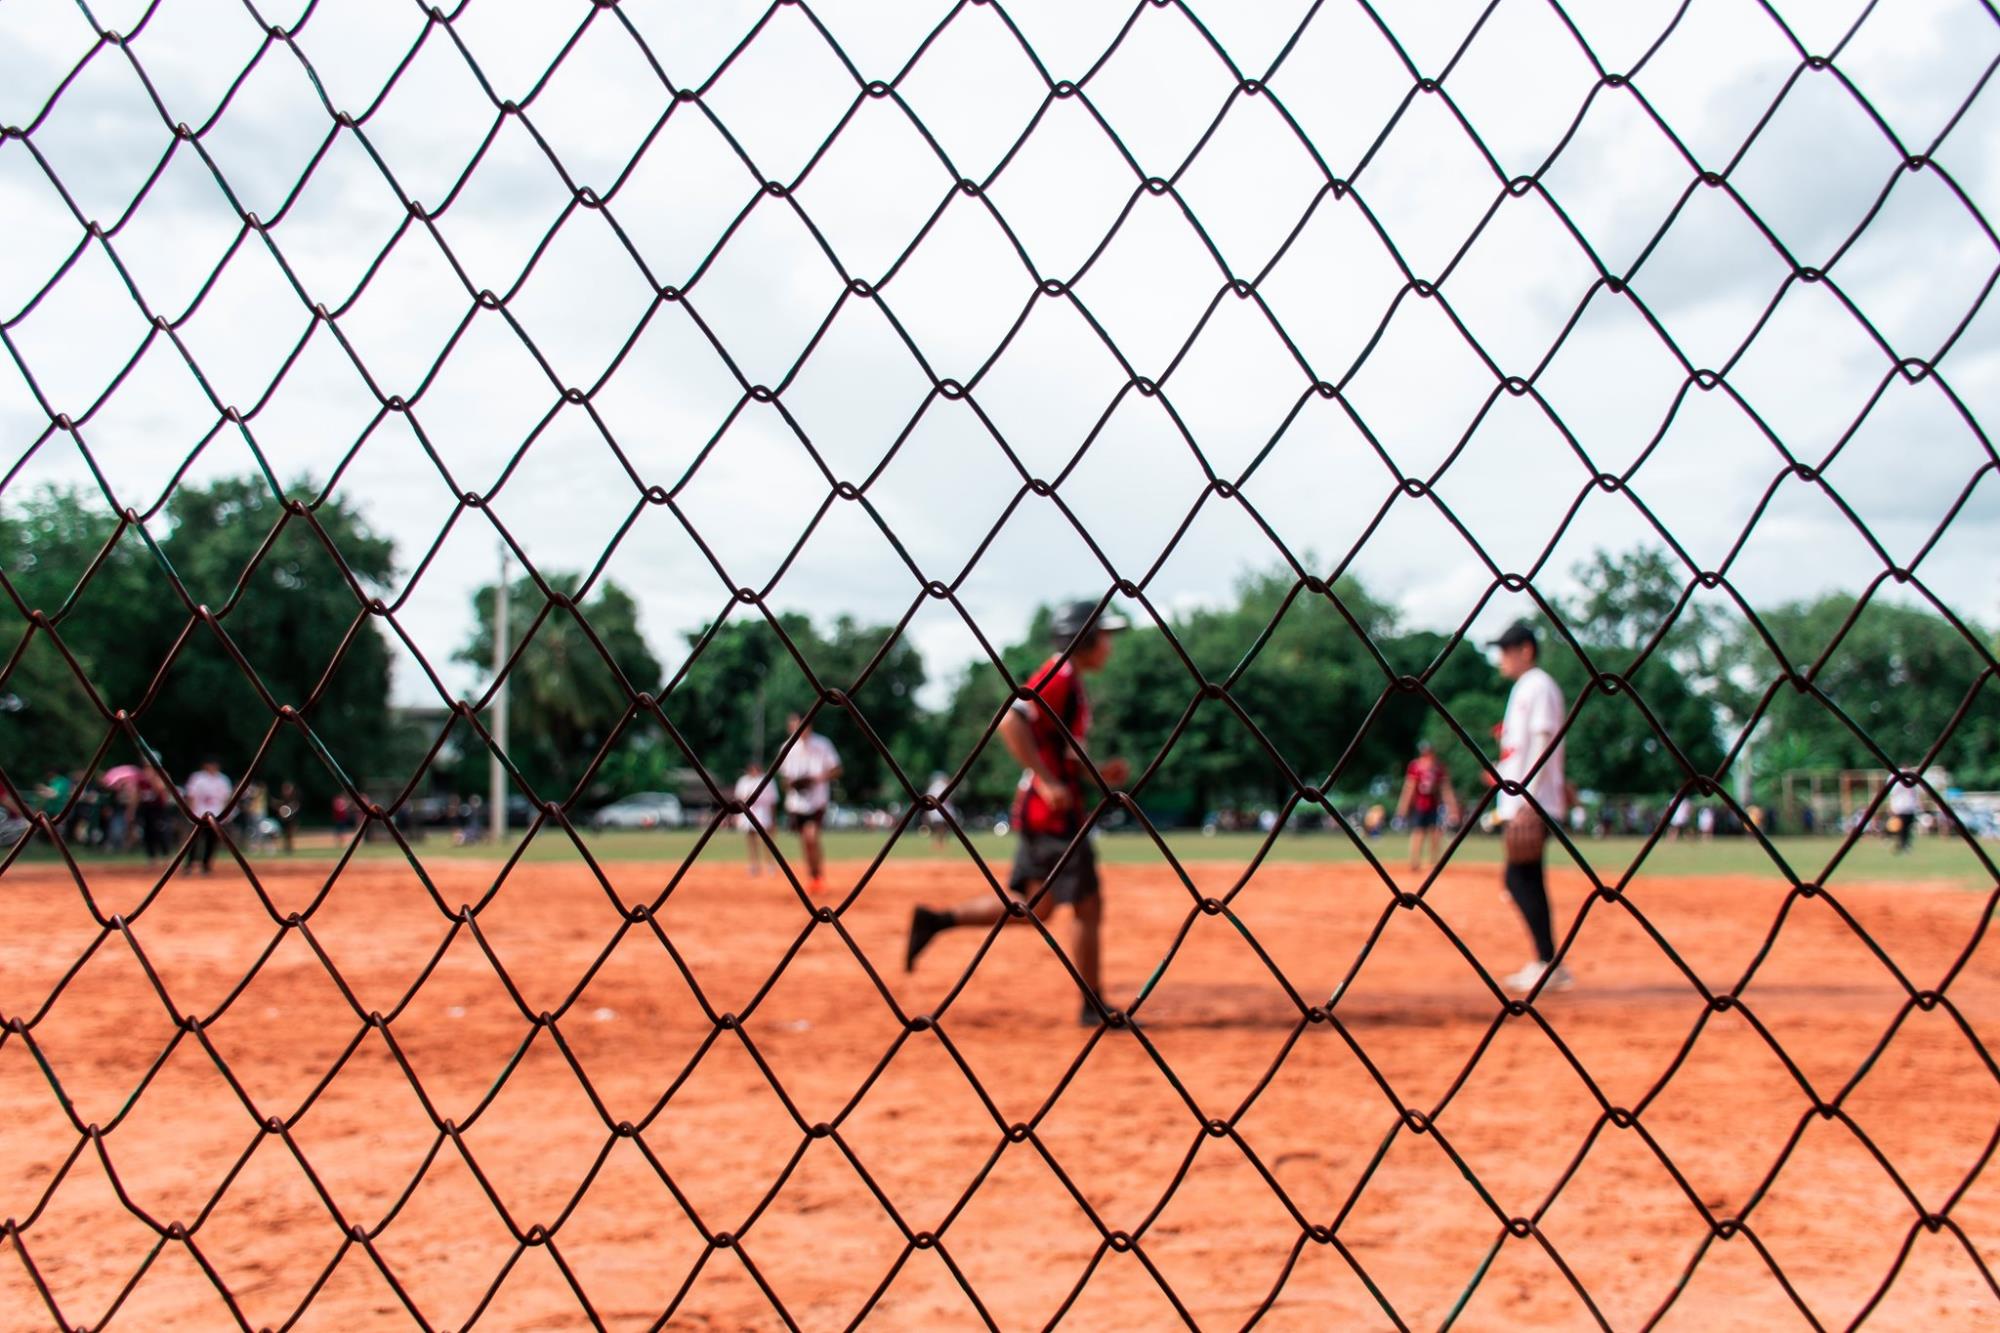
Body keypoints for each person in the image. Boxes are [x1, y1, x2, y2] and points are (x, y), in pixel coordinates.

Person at [906, 600, 1132, 1026]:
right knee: (1087, 903)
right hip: (1051, 816)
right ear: (1081, 639)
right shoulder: (1058, 676)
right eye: (1104, 637)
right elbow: (1010, 720)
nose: (1109, 646)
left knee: (1034, 907)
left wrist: (1098, 772)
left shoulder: (1073, 683)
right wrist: (1046, 780)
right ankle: (1092, 1006)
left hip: (1047, 812)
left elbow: (1061, 752)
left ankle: (937, 920)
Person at [1487, 622, 1571, 994]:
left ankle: (1547, 961)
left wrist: (1529, 801)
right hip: (1521, 799)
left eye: (1506, 650)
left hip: (1531, 803)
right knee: (1526, 878)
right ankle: (1546, 960)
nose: (1501, 658)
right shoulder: (1526, 688)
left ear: (1526, 650)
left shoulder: (1538, 685)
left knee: (1520, 879)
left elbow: (1542, 741)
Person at [778, 712, 842, 895]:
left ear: (809, 725)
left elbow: (837, 769)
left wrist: (817, 778)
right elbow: (784, 779)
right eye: (794, 726)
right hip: (797, 803)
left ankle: (818, 876)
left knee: (811, 836)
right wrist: (794, 784)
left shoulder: (822, 744)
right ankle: (813, 876)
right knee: (806, 842)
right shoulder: (787, 747)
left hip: (817, 800)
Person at [1394, 740, 1459, 872]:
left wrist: (1452, 807)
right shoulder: (1417, 766)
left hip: (1434, 805)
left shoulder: (1437, 767)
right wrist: (1403, 807)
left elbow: (1445, 789)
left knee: (1435, 832)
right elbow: (1410, 787)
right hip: (1420, 805)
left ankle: (1433, 862)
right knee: (1419, 832)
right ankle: (1415, 862)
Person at [183, 758, 231, 874]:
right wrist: (191, 813)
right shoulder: (198, 778)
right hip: (199, 814)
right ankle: (189, 864)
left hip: (216, 815)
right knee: (193, 841)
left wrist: (225, 814)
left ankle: (206, 865)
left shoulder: (222, 779)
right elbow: (191, 796)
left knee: (212, 841)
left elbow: (226, 798)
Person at [734, 760, 779, 876]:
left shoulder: (766, 780)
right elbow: (738, 799)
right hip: (748, 813)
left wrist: (774, 818)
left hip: (763, 813)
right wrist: (737, 817)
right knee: (751, 840)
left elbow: (773, 801)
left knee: (767, 841)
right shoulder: (743, 781)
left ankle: (770, 864)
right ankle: (754, 864)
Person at [1888, 776, 1920, 853]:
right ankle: (1902, 844)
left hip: (1906, 808)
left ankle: (1904, 844)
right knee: (1901, 828)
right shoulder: (1898, 780)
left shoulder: (1910, 779)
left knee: (1906, 828)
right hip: (1902, 808)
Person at [924, 771, 954, 846]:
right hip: (942, 809)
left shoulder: (934, 786)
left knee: (939, 827)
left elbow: (928, 798)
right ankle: (941, 841)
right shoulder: (943, 785)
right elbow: (949, 799)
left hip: (936, 809)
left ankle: (939, 841)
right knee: (942, 827)